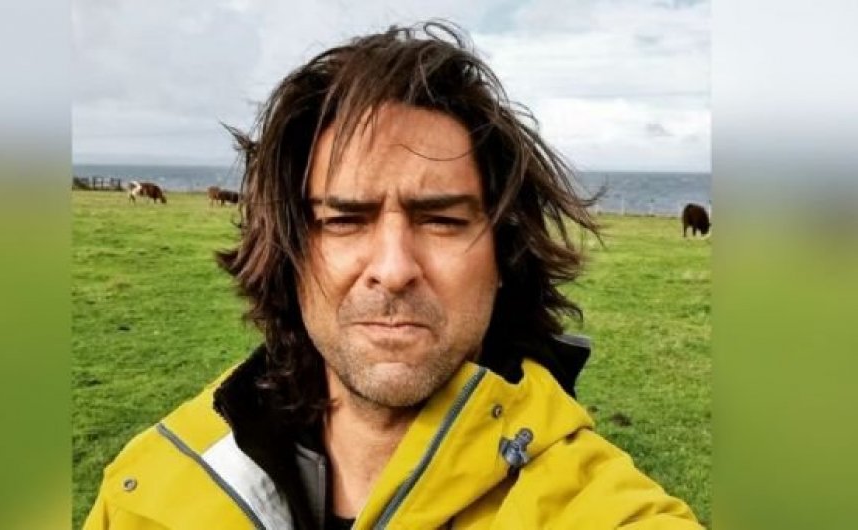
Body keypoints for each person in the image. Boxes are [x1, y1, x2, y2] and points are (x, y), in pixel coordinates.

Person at [85, 22, 701, 529]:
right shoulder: (148, 495)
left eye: (442, 221)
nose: (393, 268)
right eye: (344, 220)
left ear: (505, 256)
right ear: (289, 253)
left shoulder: (598, 510)